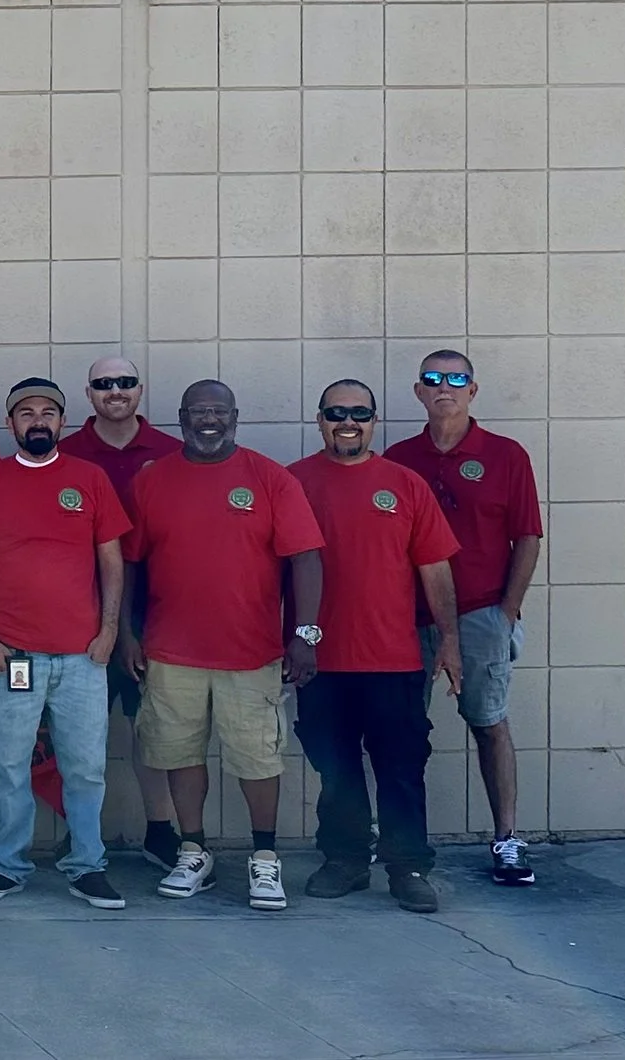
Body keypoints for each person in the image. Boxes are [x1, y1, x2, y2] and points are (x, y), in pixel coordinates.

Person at [124, 380, 324, 910]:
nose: (207, 420)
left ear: (235, 416)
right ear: (181, 416)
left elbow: (305, 558)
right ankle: (193, 852)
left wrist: (305, 635)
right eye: (197, 411)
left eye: (218, 411)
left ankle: (265, 859)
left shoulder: (269, 478)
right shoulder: (153, 480)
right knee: (177, 752)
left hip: (251, 652)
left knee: (258, 759)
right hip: (170, 652)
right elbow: (130, 563)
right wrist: (125, 632)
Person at [0, 378, 129, 910]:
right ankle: (6, 865)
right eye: (25, 413)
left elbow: (112, 562)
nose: (36, 421)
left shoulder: (89, 479)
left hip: (82, 655)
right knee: (9, 766)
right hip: (14, 654)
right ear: (10, 425)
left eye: (47, 413)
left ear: (61, 422)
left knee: (85, 766)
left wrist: (110, 631)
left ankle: (87, 865)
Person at [292, 380, 460, 913]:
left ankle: (408, 866)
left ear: (374, 420)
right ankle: (345, 860)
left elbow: (434, 568)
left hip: (394, 659)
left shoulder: (405, 485)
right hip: (320, 661)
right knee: (335, 766)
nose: (349, 421)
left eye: (359, 413)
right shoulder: (292, 483)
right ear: (319, 419)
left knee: (401, 768)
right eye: (336, 412)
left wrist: (450, 641)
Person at [383, 349, 545, 888]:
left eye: (456, 379)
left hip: (480, 613)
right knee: (402, 732)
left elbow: (527, 536)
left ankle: (507, 839)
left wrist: (506, 611)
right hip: (409, 617)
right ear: (418, 391)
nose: (444, 387)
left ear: (473, 390)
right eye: (433, 379)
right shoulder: (399, 458)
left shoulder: (505, 456)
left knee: (488, 722)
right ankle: (404, 845)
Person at [57, 356, 184, 871]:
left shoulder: (175, 454)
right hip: (75, 615)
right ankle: (79, 833)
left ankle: (161, 830)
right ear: (88, 393)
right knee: (75, 732)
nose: (116, 391)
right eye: (104, 384)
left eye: (126, 382)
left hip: (158, 613)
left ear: (140, 390)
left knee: (152, 728)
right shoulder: (63, 455)